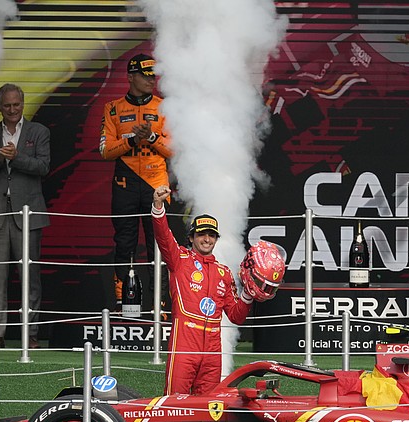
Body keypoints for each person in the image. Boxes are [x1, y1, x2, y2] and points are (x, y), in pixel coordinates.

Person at [151, 185, 282, 395]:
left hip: (213, 349)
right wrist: (158, 206)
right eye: (202, 234)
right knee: (174, 403)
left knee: (209, 407)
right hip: (185, 343)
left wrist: (249, 294)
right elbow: (163, 238)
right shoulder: (180, 260)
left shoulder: (224, 273)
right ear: (192, 237)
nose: (207, 239)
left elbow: (236, 316)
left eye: (211, 235)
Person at [0, 83, 50, 349]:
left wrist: (17, 157)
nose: (12, 110)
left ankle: (29, 334)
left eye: (16, 105)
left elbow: (44, 167)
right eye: (7, 105)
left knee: (29, 277)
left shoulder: (38, 132)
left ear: (23, 104)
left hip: (28, 214)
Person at [100, 53, 172, 309]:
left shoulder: (165, 107)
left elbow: (176, 149)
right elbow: (105, 151)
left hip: (157, 184)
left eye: (154, 75)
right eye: (145, 75)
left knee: (160, 244)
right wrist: (131, 140)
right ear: (131, 77)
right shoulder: (113, 108)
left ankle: (160, 303)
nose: (151, 80)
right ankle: (124, 303)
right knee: (125, 242)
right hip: (125, 182)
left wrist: (152, 138)